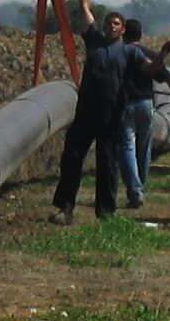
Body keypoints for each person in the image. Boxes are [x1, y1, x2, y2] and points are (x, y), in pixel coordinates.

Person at [51, 15, 130, 220]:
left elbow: (151, 68)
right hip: (86, 113)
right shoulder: (95, 41)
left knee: (107, 163)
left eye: (116, 24)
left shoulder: (129, 52)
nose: (111, 26)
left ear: (123, 29)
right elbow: (85, 9)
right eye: (108, 23)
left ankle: (106, 212)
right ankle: (65, 207)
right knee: (72, 159)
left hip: (111, 117)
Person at [113, 16, 170, 207]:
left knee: (127, 147)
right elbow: (166, 76)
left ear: (124, 32)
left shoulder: (118, 53)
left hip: (125, 105)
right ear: (140, 34)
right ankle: (140, 186)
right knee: (144, 147)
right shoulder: (148, 53)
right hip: (146, 104)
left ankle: (135, 190)